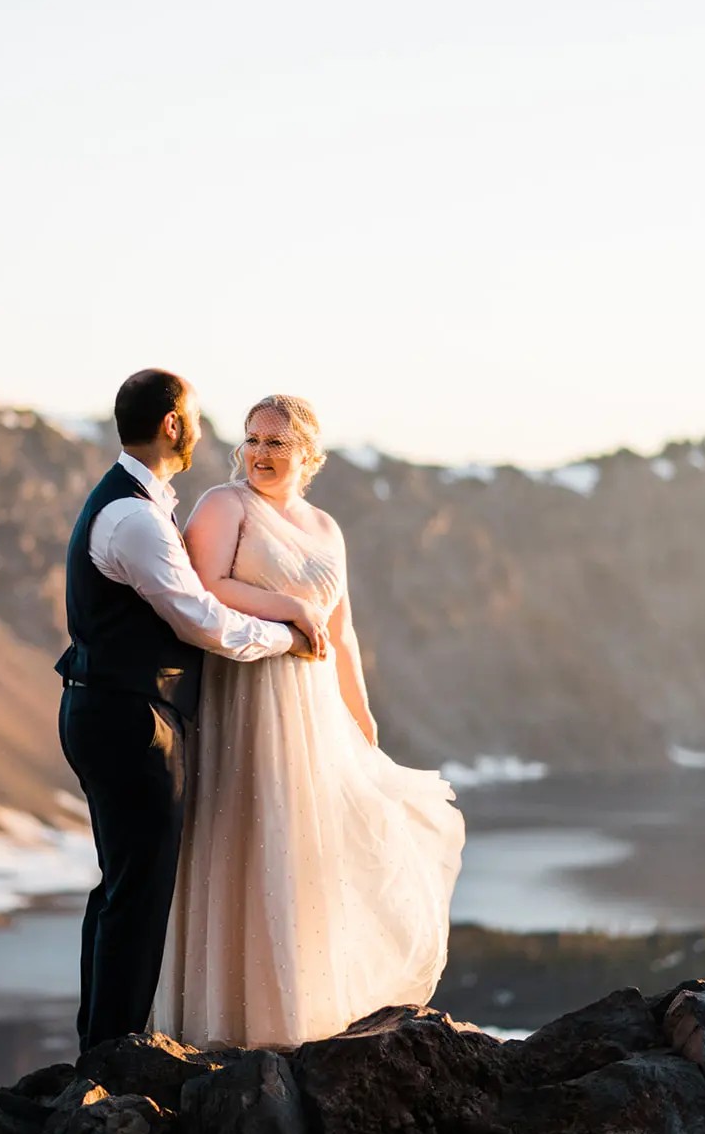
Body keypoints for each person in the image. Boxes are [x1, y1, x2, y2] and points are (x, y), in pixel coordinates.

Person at [152, 394, 465, 1049]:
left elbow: (341, 631)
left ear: (306, 455)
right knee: (243, 838)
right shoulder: (222, 505)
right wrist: (287, 604)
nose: (260, 454)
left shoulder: (325, 527)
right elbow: (201, 588)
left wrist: (362, 721)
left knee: (302, 852)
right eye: (252, 440)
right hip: (245, 693)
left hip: (311, 707)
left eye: (276, 443)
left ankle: (292, 1020)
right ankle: (226, 1026)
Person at [55, 370, 325, 1055]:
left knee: (120, 887)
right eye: (198, 417)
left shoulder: (132, 504)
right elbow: (201, 619)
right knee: (139, 894)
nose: (208, 432)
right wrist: (287, 635)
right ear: (172, 425)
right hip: (129, 719)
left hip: (110, 710)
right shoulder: (134, 518)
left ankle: (101, 1044)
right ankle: (115, 1055)